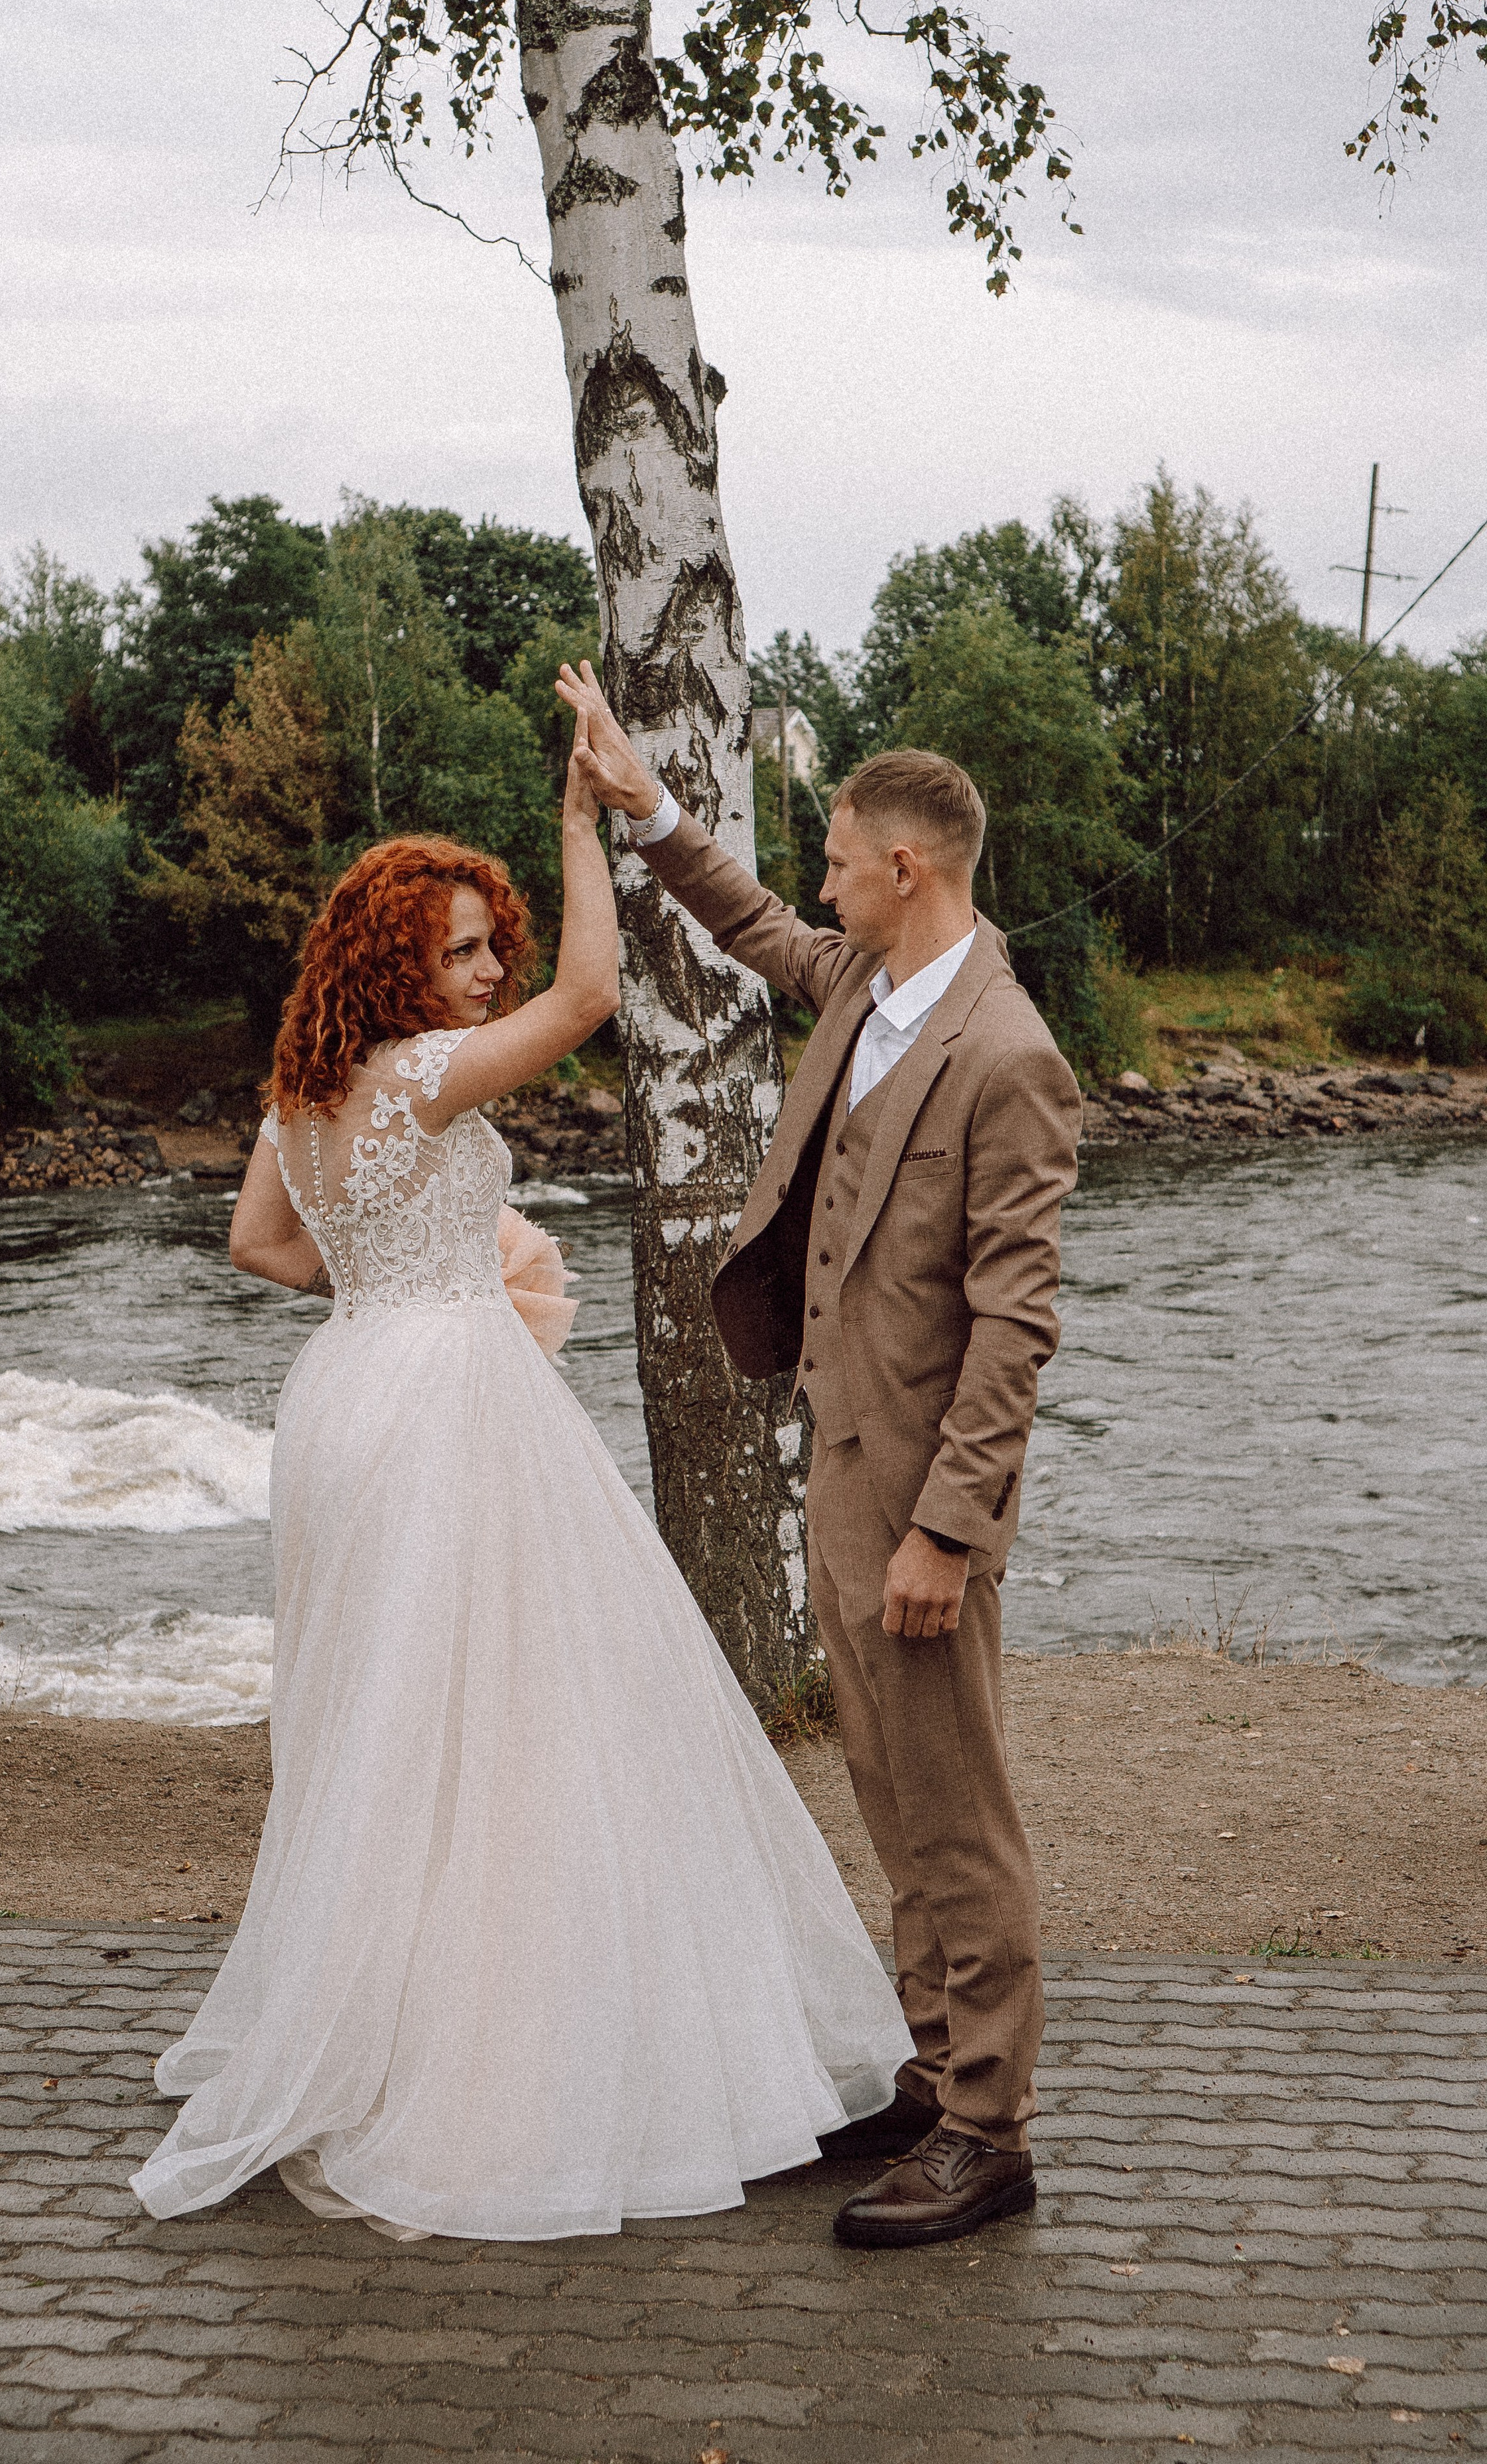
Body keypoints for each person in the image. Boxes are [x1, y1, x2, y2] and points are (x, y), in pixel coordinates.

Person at [129, 741, 911, 2242]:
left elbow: (263, 1253)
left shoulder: (305, 1086)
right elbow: (594, 1002)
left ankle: (375, 2007)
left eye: (491, 945)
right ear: (399, 971)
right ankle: (488, 2055)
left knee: (385, 1712)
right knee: (506, 1708)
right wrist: (577, 825)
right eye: (467, 951)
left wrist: (398, 1281)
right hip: (446, 1403)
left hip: (351, 1392)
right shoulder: (423, 1072)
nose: (492, 972)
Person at [560, 661, 1081, 2250]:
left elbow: (1013, 1326)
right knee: (886, 1789)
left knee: (958, 1811)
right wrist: (644, 808)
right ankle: (931, 2074)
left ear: (904, 870)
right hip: (837, 1467)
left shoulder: (1005, 1054)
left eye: (841, 858)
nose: (823, 882)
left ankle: (988, 2131)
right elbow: (756, 928)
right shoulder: (866, 982)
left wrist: (946, 1530)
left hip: (918, 1503)